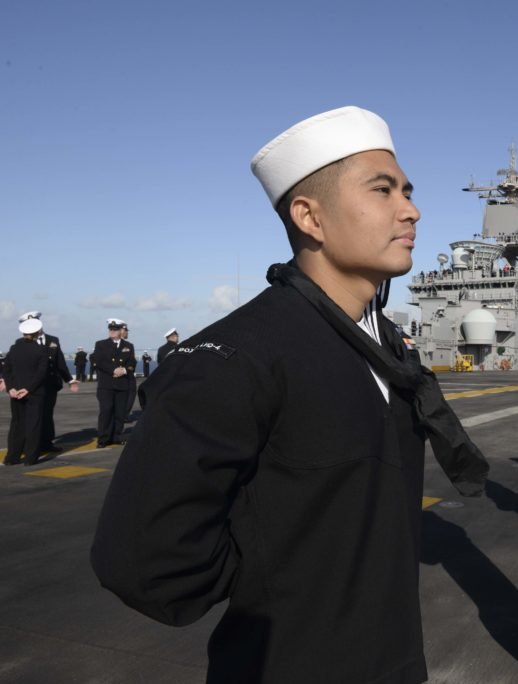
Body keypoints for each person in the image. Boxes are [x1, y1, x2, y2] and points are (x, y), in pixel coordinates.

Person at [91, 106, 488, 684]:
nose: (411, 209)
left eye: (406, 190)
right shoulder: (239, 356)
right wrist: (270, 583)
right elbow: (144, 559)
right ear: (310, 217)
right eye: (383, 190)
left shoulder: (385, 350)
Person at [19, 311, 78, 452]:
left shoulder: (53, 340)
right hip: (33, 386)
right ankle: (33, 444)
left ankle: (47, 443)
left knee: (47, 414)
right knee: (33, 416)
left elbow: (60, 362)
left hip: (50, 384)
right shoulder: (24, 343)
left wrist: (69, 380)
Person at [3, 318, 50, 466]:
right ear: (37, 333)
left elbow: (6, 370)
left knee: (17, 424)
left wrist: (11, 387)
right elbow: (41, 373)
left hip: (15, 393)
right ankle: (30, 458)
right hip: (34, 393)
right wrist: (28, 389)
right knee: (34, 425)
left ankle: (12, 457)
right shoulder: (41, 350)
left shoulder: (14, 348)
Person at [92, 320, 135, 447]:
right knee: (106, 411)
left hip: (122, 384)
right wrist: (113, 370)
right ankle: (103, 438)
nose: (112, 332)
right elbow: (98, 361)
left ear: (120, 331)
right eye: (110, 330)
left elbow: (132, 362)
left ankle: (116, 436)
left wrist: (124, 370)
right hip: (107, 384)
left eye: (115, 330)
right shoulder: (101, 344)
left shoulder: (128, 346)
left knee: (119, 412)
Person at [119, 322, 138, 415]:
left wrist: (126, 370)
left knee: (131, 394)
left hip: (128, 373)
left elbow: (132, 361)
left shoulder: (129, 345)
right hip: (116, 375)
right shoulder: (109, 344)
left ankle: (124, 414)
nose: (127, 333)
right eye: (126, 330)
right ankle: (122, 414)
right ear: (121, 331)